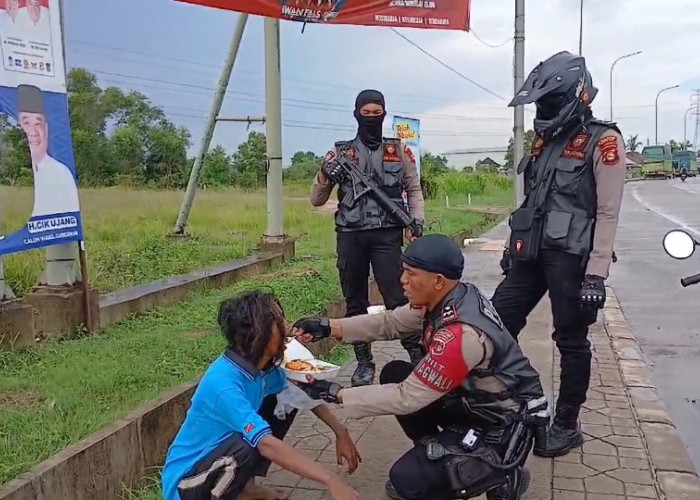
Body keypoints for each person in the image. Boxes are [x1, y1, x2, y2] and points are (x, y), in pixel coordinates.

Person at [292, 234, 549, 500]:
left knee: (404, 482)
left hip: (499, 426)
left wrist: (334, 392)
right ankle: (437, 452)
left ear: (437, 281)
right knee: (395, 371)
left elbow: (406, 397)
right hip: (473, 404)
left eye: (410, 273)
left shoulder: (461, 336)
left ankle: (502, 474)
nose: (402, 279)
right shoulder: (452, 296)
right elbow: (389, 323)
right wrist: (328, 327)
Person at [492, 51, 627, 458]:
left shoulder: (603, 141)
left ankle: (566, 422)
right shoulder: (544, 140)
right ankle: (508, 402)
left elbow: (608, 212)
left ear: (577, 94)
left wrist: (597, 274)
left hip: (572, 258)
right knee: (495, 323)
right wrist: (508, 248)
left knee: (570, 339)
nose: (543, 110)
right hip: (530, 252)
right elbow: (531, 198)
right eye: (539, 104)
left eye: (549, 102)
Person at [161, 290, 362, 500]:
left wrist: (340, 431)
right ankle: (240, 493)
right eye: (278, 321)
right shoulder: (224, 385)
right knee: (250, 443)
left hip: (217, 462)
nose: (287, 327)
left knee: (284, 400)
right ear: (259, 333)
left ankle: (247, 488)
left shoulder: (261, 371)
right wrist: (331, 480)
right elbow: (266, 444)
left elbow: (301, 393)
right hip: (186, 484)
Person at [310, 89, 426, 387]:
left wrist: (417, 220)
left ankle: (417, 355)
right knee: (354, 300)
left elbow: (413, 189)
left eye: (378, 113)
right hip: (351, 235)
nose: (372, 118)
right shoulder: (340, 152)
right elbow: (316, 199)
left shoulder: (399, 151)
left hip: (388, 234)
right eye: (367, 113)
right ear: (356, 114)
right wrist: (325, 174)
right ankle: (363, 362)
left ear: (385, 114)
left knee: (399, 299)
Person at [16, 84, 81, 217]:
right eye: (26, 123)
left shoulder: (61, 173)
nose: (33, 132)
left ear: (46, 129)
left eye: (38, 124)